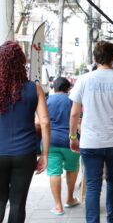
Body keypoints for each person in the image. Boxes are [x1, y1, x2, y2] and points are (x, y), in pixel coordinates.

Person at [69, 41, 113, 223]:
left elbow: (74, 113)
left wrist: (73, 136)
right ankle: (112, 219)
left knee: (92, 185)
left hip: (90, 141)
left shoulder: (83, 80)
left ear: (94, 58)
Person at [0, 41, 50, 223]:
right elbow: (44, 121)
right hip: (25, 153)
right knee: (17, 204)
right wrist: (45, 154)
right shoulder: (33, 88)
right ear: (22, 62)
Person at [46, 77, 80, 215]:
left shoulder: (47, 100)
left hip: (51, 141)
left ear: (54, 87)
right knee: (72, 168)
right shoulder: (72, 101)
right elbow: (78, 119)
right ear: (68, 88)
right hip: (69, 141)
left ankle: (58, 206)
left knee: (54, 172)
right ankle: (70, 199)